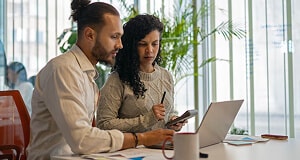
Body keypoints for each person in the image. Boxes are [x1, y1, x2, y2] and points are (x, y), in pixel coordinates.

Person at [26, 1, 174, 159]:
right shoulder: (63, 70)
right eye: (114, 37)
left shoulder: (85, 74)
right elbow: (82, 140)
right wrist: (141, 138)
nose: (121, 45)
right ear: (90, 35)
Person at [97, 14, 185, 133]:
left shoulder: (166, 75)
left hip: (162, 148)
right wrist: (146, 120)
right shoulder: (117, 80)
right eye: (143, 44)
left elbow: (166, 113)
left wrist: (173, 120)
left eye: (155, 44)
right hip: (132, 149)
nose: (150, 50)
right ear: (131, 46)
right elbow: (104, 124)